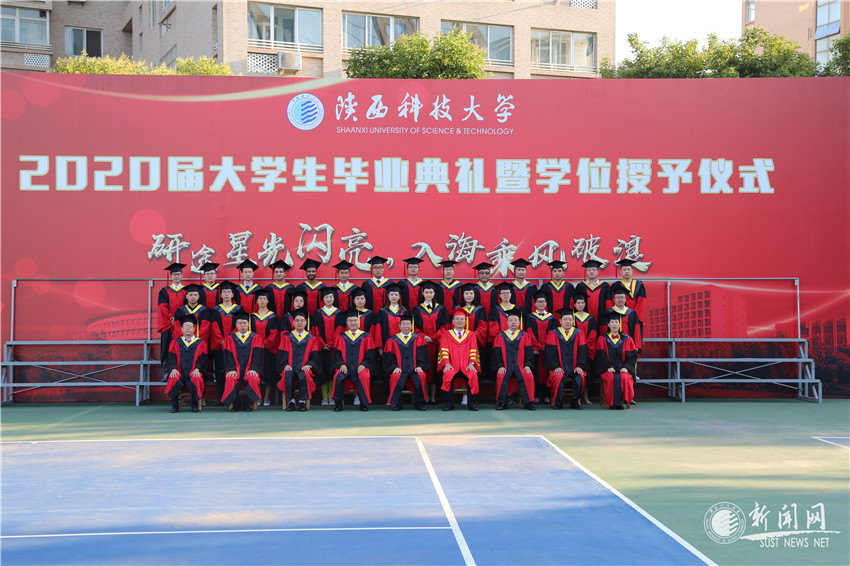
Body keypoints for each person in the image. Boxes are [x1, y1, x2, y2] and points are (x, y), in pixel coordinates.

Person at [411, 281, 450, 405]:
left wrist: (433, 338)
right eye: (426, 292)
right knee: (424, 369)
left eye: (431, 292)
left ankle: (433, 397)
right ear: (422, 293)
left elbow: (445, 327)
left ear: (434, 294)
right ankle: (425, 396)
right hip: (422, 345)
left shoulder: (441, 309)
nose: (428, 294)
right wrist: (424, 337)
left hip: (436, 345)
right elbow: (414, 327)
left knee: (435, 370)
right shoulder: (416, 309)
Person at [277, 309, 323, 411]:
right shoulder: (287, 338)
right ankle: (291, 401)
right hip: (290, 367)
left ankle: (303, 401)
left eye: (302, 320)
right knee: (287, 373)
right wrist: (285, 365)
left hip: (305, 368)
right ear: (293, 323)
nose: (299, 323)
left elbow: (315, 356)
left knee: (305, 373)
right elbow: (282, 354)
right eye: (297, 320)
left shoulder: (312, 338)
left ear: (305, 323)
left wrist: (309, 365)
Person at [330, 310, 377, 411]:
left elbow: (371, 354)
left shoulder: (366, 336)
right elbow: (337, 355)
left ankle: (364, 403)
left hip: (361, 366)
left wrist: (364, 364)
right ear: (346, 323)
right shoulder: (341, 337)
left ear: (359, 322)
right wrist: (341, 364)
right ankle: (338, 403)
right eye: (350, 321)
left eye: (355, 320)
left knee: (364, 376)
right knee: (338, 376)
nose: (353, 323)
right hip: (345, 367)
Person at [437, 308, 482, 411]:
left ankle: (472, 403)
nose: (459, 321)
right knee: (447, 374)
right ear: (453, 321)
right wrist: (447, 364)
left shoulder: (471, 335)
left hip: (467, 365)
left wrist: (471, 363)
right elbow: (443, 350)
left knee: (473, 375)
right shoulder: (446, 334)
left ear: (465, 321)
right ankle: (449, 403)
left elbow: (474, 350)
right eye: (457, 319)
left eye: (462, 319)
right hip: (452, 365)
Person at [492, 308, 536, 411]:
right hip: (505, 366)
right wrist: (500, 366)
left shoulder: (525, 336)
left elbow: (529, 353)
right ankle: (502, 402)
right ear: (507, 322)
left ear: (519, 322)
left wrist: (527, 365)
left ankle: (528, 403)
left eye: (515, 320)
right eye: (511, 320)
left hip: (520, 366)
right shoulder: (500, 336)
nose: (513, 322)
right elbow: (497, 353)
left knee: (528, 376)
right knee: (501, 376)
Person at [383, 313, 429, 411]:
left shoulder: (418, 338)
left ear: (411, 326)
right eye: (403, 324)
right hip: (400, 368)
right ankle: (397, 403)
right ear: (399, 326)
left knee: (421, 375)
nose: (406, 326)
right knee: (395, 376)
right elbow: (389, 357)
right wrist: (395, 367)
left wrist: (420, 366)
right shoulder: (392, 340)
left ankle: (419, 403)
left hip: (414, 368)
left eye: (408, 324)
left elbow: (422, 354)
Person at [544, 309, 588, 410]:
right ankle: (558, 402)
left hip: (575, 366)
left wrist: (580, 366)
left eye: (570, 319)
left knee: (580, 377)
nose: (568, 322)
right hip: (559, 367)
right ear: (560, 321)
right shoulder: (553, 333)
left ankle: (575, 401)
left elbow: (583, 351)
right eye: (565, 319)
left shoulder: (579, 333)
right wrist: (556, 366)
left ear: (573, 321)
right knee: (557, 378)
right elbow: (550, 352)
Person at [163, 313, 208, 413]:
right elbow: (171, 357)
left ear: (194, 329)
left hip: (193, 371)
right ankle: (175, 405)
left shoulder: (201, 343)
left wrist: (198, 368)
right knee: (173, 376)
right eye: (186, 326)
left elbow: (203, 359)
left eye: (190, 326)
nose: (188, 328)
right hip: (179, 371)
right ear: (182, 329)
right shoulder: (175, 342)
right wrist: (173, 368)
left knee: (197, 377)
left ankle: (195, 405)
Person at [220, 312, 264, 412]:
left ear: (248, 324)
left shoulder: (255, 337)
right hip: (235, 369)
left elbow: (258, 354)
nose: (242, 325)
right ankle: (236, 404)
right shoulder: (230, 338)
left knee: (253, 378)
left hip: (250, 368)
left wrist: (254, 368)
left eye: (244, 323)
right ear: (236, 325)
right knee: (230, 378)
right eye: (240, 323)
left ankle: (247, 404)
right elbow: (227, 355)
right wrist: (231, 369)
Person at [594, 311, 638, 410]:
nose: (614, 324)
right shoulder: (602, 339)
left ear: (619, 324)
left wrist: (626, 367)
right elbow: (600, 356)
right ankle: (613, 403)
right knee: (611, 378)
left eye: (616, 322)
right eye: (612, 322)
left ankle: (623, 400)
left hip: (623, 368)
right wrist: (607, 367)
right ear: (608, 324)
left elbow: (632, 356)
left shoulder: (627, 339)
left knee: (625, 377)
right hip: (607, 369)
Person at [209, 281, 243, 402]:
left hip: (234, 346)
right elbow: (214, 327)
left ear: (233, 294)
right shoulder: (215, 310)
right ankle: (221, 398)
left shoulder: (238, 309)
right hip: (220, 346)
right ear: (221, 295)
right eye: (224, 292)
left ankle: (234, 397)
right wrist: (221, 340)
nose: (227, 294)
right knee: (220, 371)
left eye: (229, 292)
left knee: (234, 370)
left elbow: (240, 325)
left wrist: (230, 340)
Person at [311, 287, 345, 406]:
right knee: (323, 371)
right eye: (326, 297)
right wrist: (322, 344)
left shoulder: (339, 313)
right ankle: (324, 397)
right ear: (323, 299)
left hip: (334, 348)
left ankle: (332, 396)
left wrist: (331, 344)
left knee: (333, 371)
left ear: (334, 298)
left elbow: (340, 330)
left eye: (331, 297)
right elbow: (315, 331)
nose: (329, 299)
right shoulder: (317, 313)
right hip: (321, 348)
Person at [524, 291, 558, 404]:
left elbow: (553, 333)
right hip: (535, 350)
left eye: (543, 302)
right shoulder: (530, 317)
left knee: (547, 371)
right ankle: (537, 394)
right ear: (534, 304)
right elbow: (529, 332)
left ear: (546, 303)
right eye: (538, 302)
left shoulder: (552, 318)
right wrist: (537, 346)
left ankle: (546, 394)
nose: (541, 304)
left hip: (548, 350)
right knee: (536, 372)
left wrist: (546, 346)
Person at [251, 289, 279, 406]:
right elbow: (250, 332)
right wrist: (257, 344)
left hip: (268, 350)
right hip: (255, 349)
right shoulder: (252, 317)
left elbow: (274, 333)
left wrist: (265, 344)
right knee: (256, 372)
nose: (262, 300)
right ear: (256, 301)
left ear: (268, 301)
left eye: (264, 298)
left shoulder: (273, 316)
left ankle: (267, 396)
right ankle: (258, 396)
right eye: (260, 298)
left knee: (268, 373)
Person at [157, 262, 187, 371]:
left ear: (182, 275)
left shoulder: (186, 291)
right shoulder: (164, 291)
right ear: (170, 276)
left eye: (178, 274)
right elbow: (162, 307)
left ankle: (182, 370)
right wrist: (172, 318)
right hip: (169, 324)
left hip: (182, 325)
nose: (176, 276)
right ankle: (167, 371)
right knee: (167, 347)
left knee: (182, 347)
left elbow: (188, 307)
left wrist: (179, 319)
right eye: (174, 274)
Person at [607, 258, 647, 338]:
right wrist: (616, 316)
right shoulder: (616, 285)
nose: (627, 271)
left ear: (632, 270)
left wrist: (634, 316)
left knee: (635, 338)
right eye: (624, 269)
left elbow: (641, 302)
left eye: (628, 269)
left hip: (635, 318)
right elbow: (611, 302)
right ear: (620, 271)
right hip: (619, 319)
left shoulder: (639, 285)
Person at [602, 283, 642, 351]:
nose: (620, 299)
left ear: (625, 299)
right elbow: (603, 330)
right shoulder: (608, 313)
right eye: (617, 297)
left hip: (628, 345)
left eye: (622, 297)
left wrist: (636, 345)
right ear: (613, 299)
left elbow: (636, 330)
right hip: (610, 346)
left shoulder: (632, 313)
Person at [574, 259, 610, 324]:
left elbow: (608, 303)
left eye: (594, 269)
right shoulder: (580, 286)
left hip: (602, 318)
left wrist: (607, 316)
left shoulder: (605, 286)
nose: (591, 271)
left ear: (597, 271)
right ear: (586, 272)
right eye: (589, 270)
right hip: (584, 319)